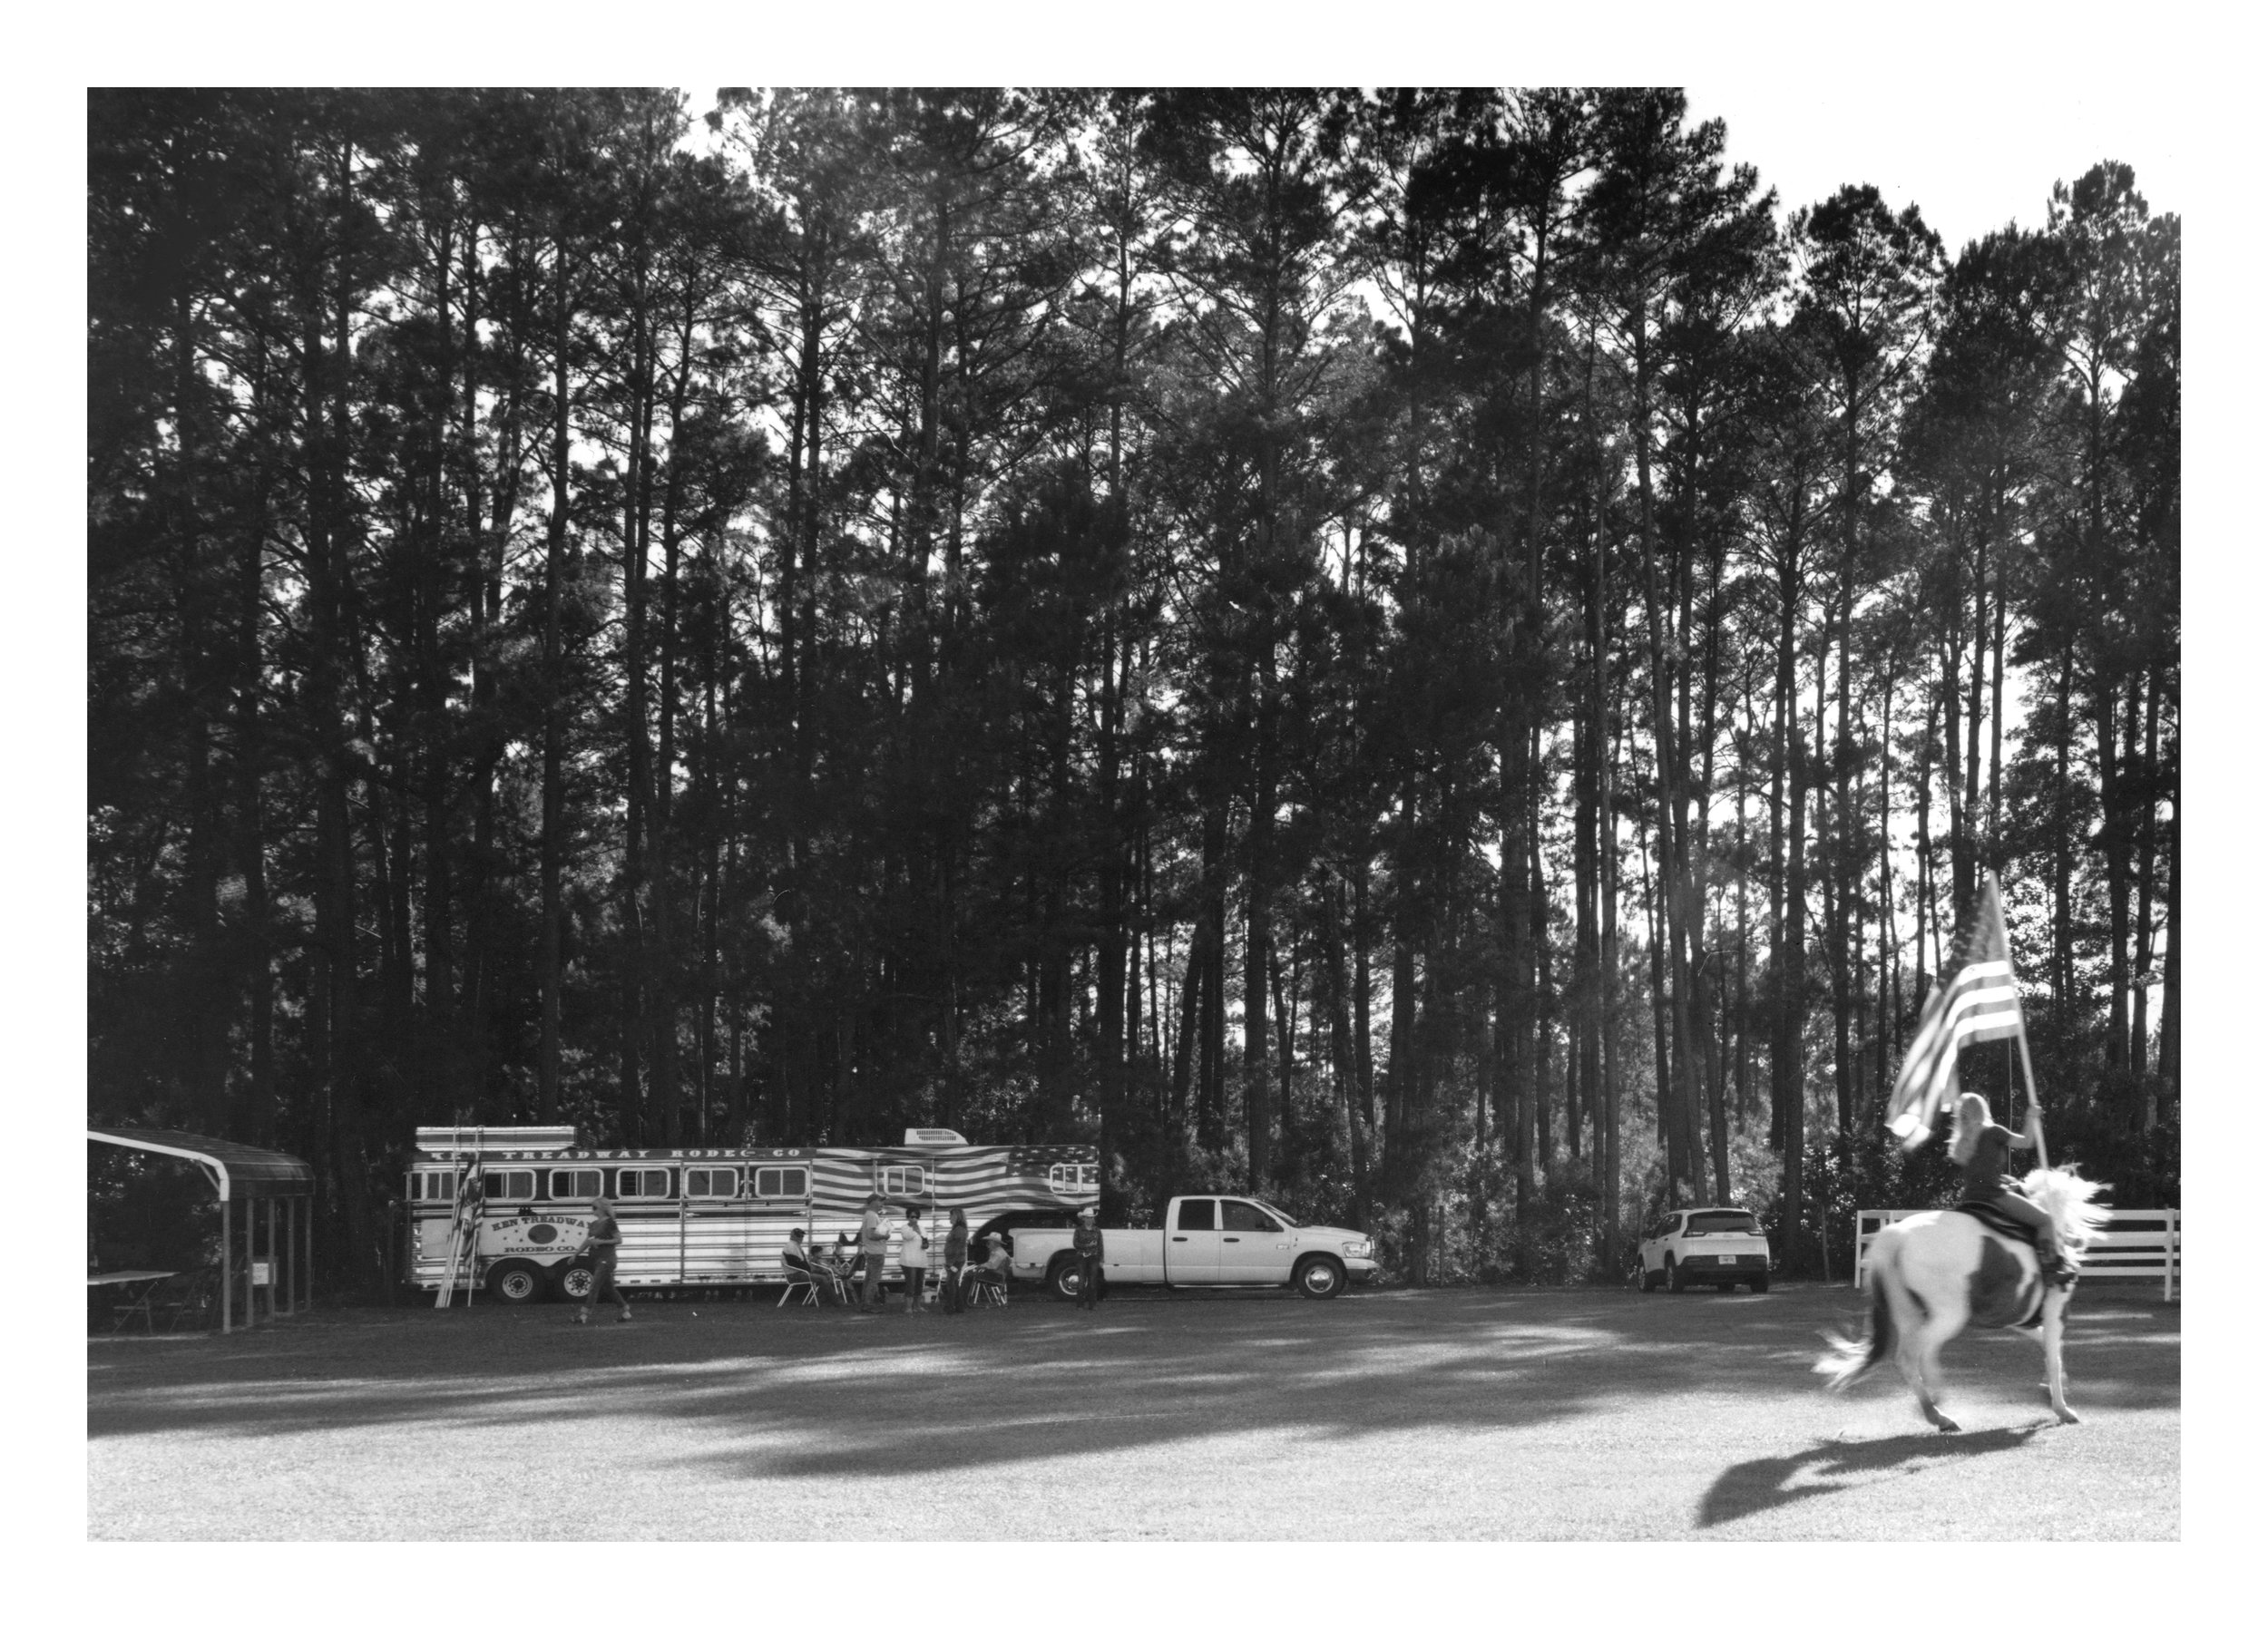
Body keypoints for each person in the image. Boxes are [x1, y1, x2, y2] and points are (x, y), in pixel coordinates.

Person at [1950, 1092, 2075, 1285]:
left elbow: (1979, 1172)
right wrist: (2031, 1116)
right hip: (1993, 1196)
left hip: (1969, 1200)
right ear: (1982, 1109)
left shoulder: (1961, 1143)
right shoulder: (1993, 1132)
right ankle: (2050, 1269)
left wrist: (2001, 1178)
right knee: (2045, 1221)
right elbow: (2026, 1142)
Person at [574, 1196, 631, 1324]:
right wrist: (576, 1254)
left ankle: (583, 1315)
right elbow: (588, 1241)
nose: (592, 1210)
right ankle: (625, 1312)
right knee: (609, 1288)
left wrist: (601, 1242)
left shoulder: (610, 1222)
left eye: (594, 1207)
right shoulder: (594, 1224)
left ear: (601, 1208)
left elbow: (618, 1239)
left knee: (594, 1286)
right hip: (597, 1258)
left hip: (607, 1258)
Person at [857, 1196, 893, 1313]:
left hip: (871, 1251)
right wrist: (884, 1236)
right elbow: (871, 1235)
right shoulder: (872, 1215)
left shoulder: (869, 1215)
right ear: (873, 1202)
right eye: (880, 1201)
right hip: (876, 1252)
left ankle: (864, 1304)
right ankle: (868, 1305)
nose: (882, 1203)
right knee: (873, 1281)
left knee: (868, 1280)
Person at [898, 1205, 931, 1313]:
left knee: (919, 1284)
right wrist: (914, 1228)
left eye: (916, 1217)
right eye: (912, 1217)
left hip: (921, 1260)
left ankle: (917, 1306)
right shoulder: (904, 1227)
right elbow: (908, 1236)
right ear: (908, 1217)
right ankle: (908, 1307)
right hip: (908, 1260)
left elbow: (925, 1240)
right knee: (910, 1283)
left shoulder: (922, 1228)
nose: (914, 1219)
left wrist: (923, 1239)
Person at [1072, 1207, 1103, 1312]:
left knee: (1093, 1282)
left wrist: (1101, 1260)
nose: (1089, 1219)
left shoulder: (1097, 1230)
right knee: (1081, 1282)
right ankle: (1080, 1305)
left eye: (1091, 1218)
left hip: (1094, 1258)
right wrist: (1087, 1245)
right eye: (1087, 1218)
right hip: (1081, 1257)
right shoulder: (1078, 1230)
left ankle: (1092, 1305)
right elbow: (1076, 1244)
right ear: (1084, 1218)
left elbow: (1100, 1246)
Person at [941, 1207, 970, 1314]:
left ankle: (950, 1306)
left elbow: (958, 1247)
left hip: (956, 1260)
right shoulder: (957, 1229)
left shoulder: (959, 1230)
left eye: (951, 1215)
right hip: (955, 1260)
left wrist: (951, 1262)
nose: (949, 1218)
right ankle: (959, 1306)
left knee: (950, 1283)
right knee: (954, 1283)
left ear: (956, 1216)